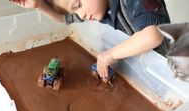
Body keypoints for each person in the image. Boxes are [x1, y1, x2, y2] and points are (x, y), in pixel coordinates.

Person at [10, 0, 170, 79]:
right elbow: (64, 19)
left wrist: (110, 55)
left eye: (78, 4)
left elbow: (152, 35)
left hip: (159, 71)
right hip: (132, 65)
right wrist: (39, 5)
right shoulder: (100, 7)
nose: (81, 15)